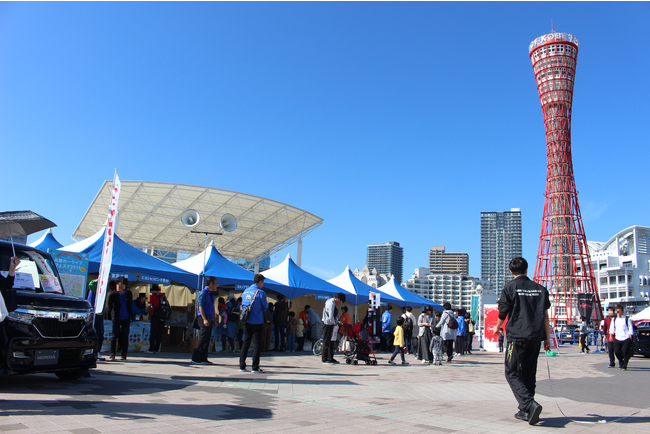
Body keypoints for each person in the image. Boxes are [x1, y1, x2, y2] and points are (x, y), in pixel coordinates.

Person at [492, 257, 550, 426]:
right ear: (526, 269)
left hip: (517, 336)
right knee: (529, 372)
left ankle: (529, 405)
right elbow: (545, 316)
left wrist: (497, 327)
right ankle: (526, 411)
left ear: (511, 271)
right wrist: (547, 339)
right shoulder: (540, 289)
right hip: (535, 337)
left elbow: (503, 311)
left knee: (511, 371)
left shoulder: (510, 287)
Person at [239, 274, 268, 373]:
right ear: (260, 282)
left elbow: (243, 305)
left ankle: (242, 365)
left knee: (246, 342)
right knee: (257, 344)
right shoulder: (261, 292)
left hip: (247, 321)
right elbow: (265, 307)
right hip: (257, 321)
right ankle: (255, 367)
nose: (263, 285)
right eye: (263, 282)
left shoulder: (245, 291)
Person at [191, 276, 218, 365]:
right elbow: (200, 307)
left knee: (207, 339)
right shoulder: (203, 293)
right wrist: (204, 319)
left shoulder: (211, 294)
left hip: (210, 318)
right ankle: (195, 358)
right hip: (203, 317)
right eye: (215, 283)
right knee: (202, 338)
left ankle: (203, 358)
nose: (217, 285)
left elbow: (213, 307)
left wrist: (214, 320)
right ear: (211, 284)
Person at [107, 276, 133, 361]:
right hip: (117, 317)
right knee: (114, 336)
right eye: (119, 285)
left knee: (125, 336)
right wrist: (109, 317)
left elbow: (130, 305)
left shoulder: (128, 294)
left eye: (122, 285)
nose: (121, 287)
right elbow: (109, 307)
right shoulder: (113, 294)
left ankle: (124, 354)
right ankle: (112, 353)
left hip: (126, 317)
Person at [322, 292, 346, 364]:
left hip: (331, 324)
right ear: (338, 299)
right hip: (328, 324)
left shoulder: (331, 301)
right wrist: (334, 322)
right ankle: (325, 358)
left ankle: (330, 357)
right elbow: (330, 316)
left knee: (331, 341)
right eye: (341, 301)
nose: (340, 303)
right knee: (327, 341)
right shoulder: (331, 303)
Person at [609, 304, 635, 370]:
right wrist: (610, 336)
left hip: (626, 337)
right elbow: (611, 328)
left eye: (620, 311)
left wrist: (630, 336)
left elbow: (630, 328)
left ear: (622, 311)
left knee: (625, 351)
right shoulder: (614, 320)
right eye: (617, 311)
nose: (618, 312)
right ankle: (621, 361)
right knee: (617, 351)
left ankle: (625, 365)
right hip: (618, 337)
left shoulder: (626, 319)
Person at [85, 279, 105, 361]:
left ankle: (97, 351)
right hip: (92, 313)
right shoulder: (94, 287)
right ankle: (89, 351)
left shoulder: (103, 289)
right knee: (91, 334)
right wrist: (96, 280)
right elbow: (91, 284)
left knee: (100, 334)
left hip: (99, 314)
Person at [147, 285, 167, 354]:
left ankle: (151, 349)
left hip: (155, 316)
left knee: (153, 333)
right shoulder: (163, 296)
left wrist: (148, 309)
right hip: (162, 317)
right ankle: (157, 349)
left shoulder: (153, 295)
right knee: (160, 333)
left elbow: (151, 306)